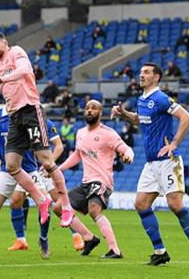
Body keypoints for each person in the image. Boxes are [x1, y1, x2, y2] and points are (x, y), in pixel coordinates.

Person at [111, 62, 189, 268]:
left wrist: (173, 144)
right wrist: (123, 114)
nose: (141, 75)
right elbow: (140, 120)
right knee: (141, 204)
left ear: (156, 77)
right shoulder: (142, 100)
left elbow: (186, 117)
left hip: (168, 162)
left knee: (175, 204)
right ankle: (160, 252)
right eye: (141, 72)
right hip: (151, 163)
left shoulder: (161, 98)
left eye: (146, 72)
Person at [0, 107, 92, 260]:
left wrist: (47, 163)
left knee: (45, 204)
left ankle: (44, 239)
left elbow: (49, 143)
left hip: (30, 170)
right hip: (8, 171)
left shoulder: (28, 117)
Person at [0, 32, 75, 227]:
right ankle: (42, 200)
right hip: (14, 116)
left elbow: (24, 70)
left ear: (5, 43)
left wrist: (4, 78)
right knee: (11, 165)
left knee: (48, 163)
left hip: (31, 111)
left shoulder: (16, 52)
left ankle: (66, 206)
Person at [58, 100, 134, 259]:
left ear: (100, 112)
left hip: (102, 181)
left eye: (93, 108)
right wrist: (59, 169)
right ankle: (89, 238)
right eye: (87, 108)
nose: (89, 111)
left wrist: (128, 156)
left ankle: (115, 250)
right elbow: (77, 155)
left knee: (94, 210)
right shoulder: (80, 133)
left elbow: (126, 149)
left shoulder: (108, 133)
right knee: (59, 207)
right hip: (86, 183)